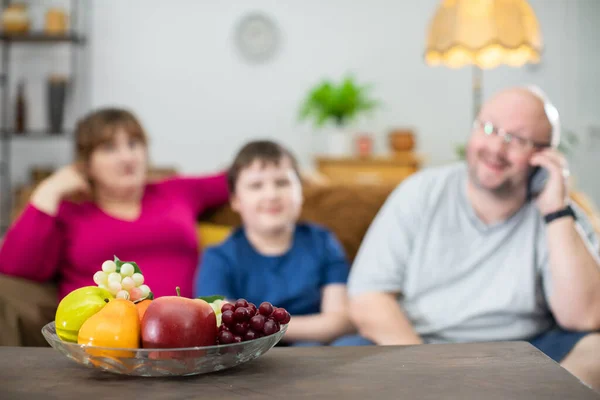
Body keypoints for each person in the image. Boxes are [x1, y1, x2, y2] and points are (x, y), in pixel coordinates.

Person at [346, 86, 600, 391]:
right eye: (489, 128)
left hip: (528, 350)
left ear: (543, 156)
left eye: (516, 139)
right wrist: (426, 370)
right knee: (347, 356)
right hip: (421, 343)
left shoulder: (560, 215)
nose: (496, 148)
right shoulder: (420, 192)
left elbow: (584, 317)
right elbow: (367, 297)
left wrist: (556, 212)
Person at [0, 108, 229, 329]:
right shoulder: (70, 211)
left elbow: (240, 177)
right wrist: (49, 189)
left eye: (133, 144)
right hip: (101, 337)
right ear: (86, 164)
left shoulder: (177, 191)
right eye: (109, 148)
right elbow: (13, 267)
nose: (127, 157)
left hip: (183, 333)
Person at [194, 140, 355, 346]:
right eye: (256, 186)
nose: (271, 195)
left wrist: (265, 326)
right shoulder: (218, 257)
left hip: (317, 352)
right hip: (250, 358)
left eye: (282, 183)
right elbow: (217, 321)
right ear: (235, 200)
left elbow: (338, 321)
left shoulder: (322, 242)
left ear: (301, 191)